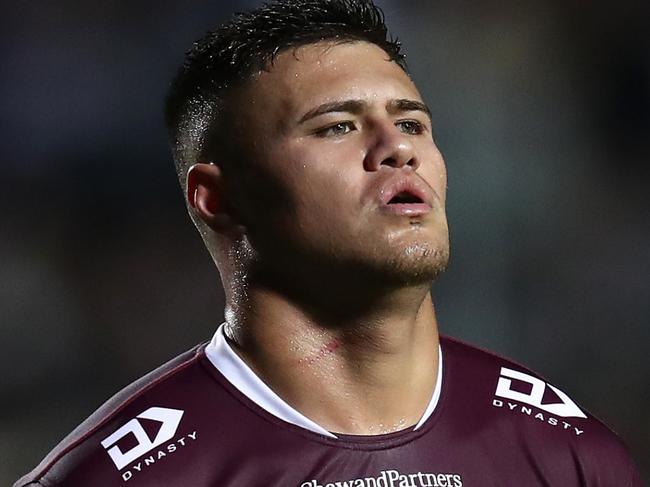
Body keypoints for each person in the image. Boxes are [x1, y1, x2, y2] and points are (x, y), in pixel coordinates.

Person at [15, 1, 643, 486]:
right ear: (218, 198)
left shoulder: (565, 452)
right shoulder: (130, 476)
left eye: (411, 122)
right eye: (338, 126)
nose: (397, 148)